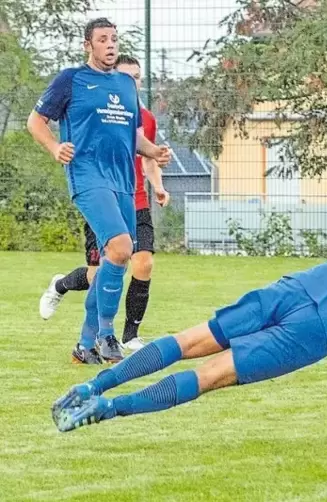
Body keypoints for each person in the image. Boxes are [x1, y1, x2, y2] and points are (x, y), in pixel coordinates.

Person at [51, 234, 327, 432]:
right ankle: (111, 408)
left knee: (187, 340)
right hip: (317, 328)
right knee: (210, 374)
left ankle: (92, 385)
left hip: (294, 288)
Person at [27, 18, 171, 365]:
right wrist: (54, 148)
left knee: (113, 261)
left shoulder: (125, 85)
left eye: (114, 39)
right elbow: (36, 121)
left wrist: (152, 151)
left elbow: (131, 134)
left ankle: (84, 343)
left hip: (123, 181)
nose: (110, 45)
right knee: (121, 248)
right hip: (89, 177)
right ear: (87, 45)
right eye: (103, 39)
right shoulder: (71, 79)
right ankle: (108, 335)